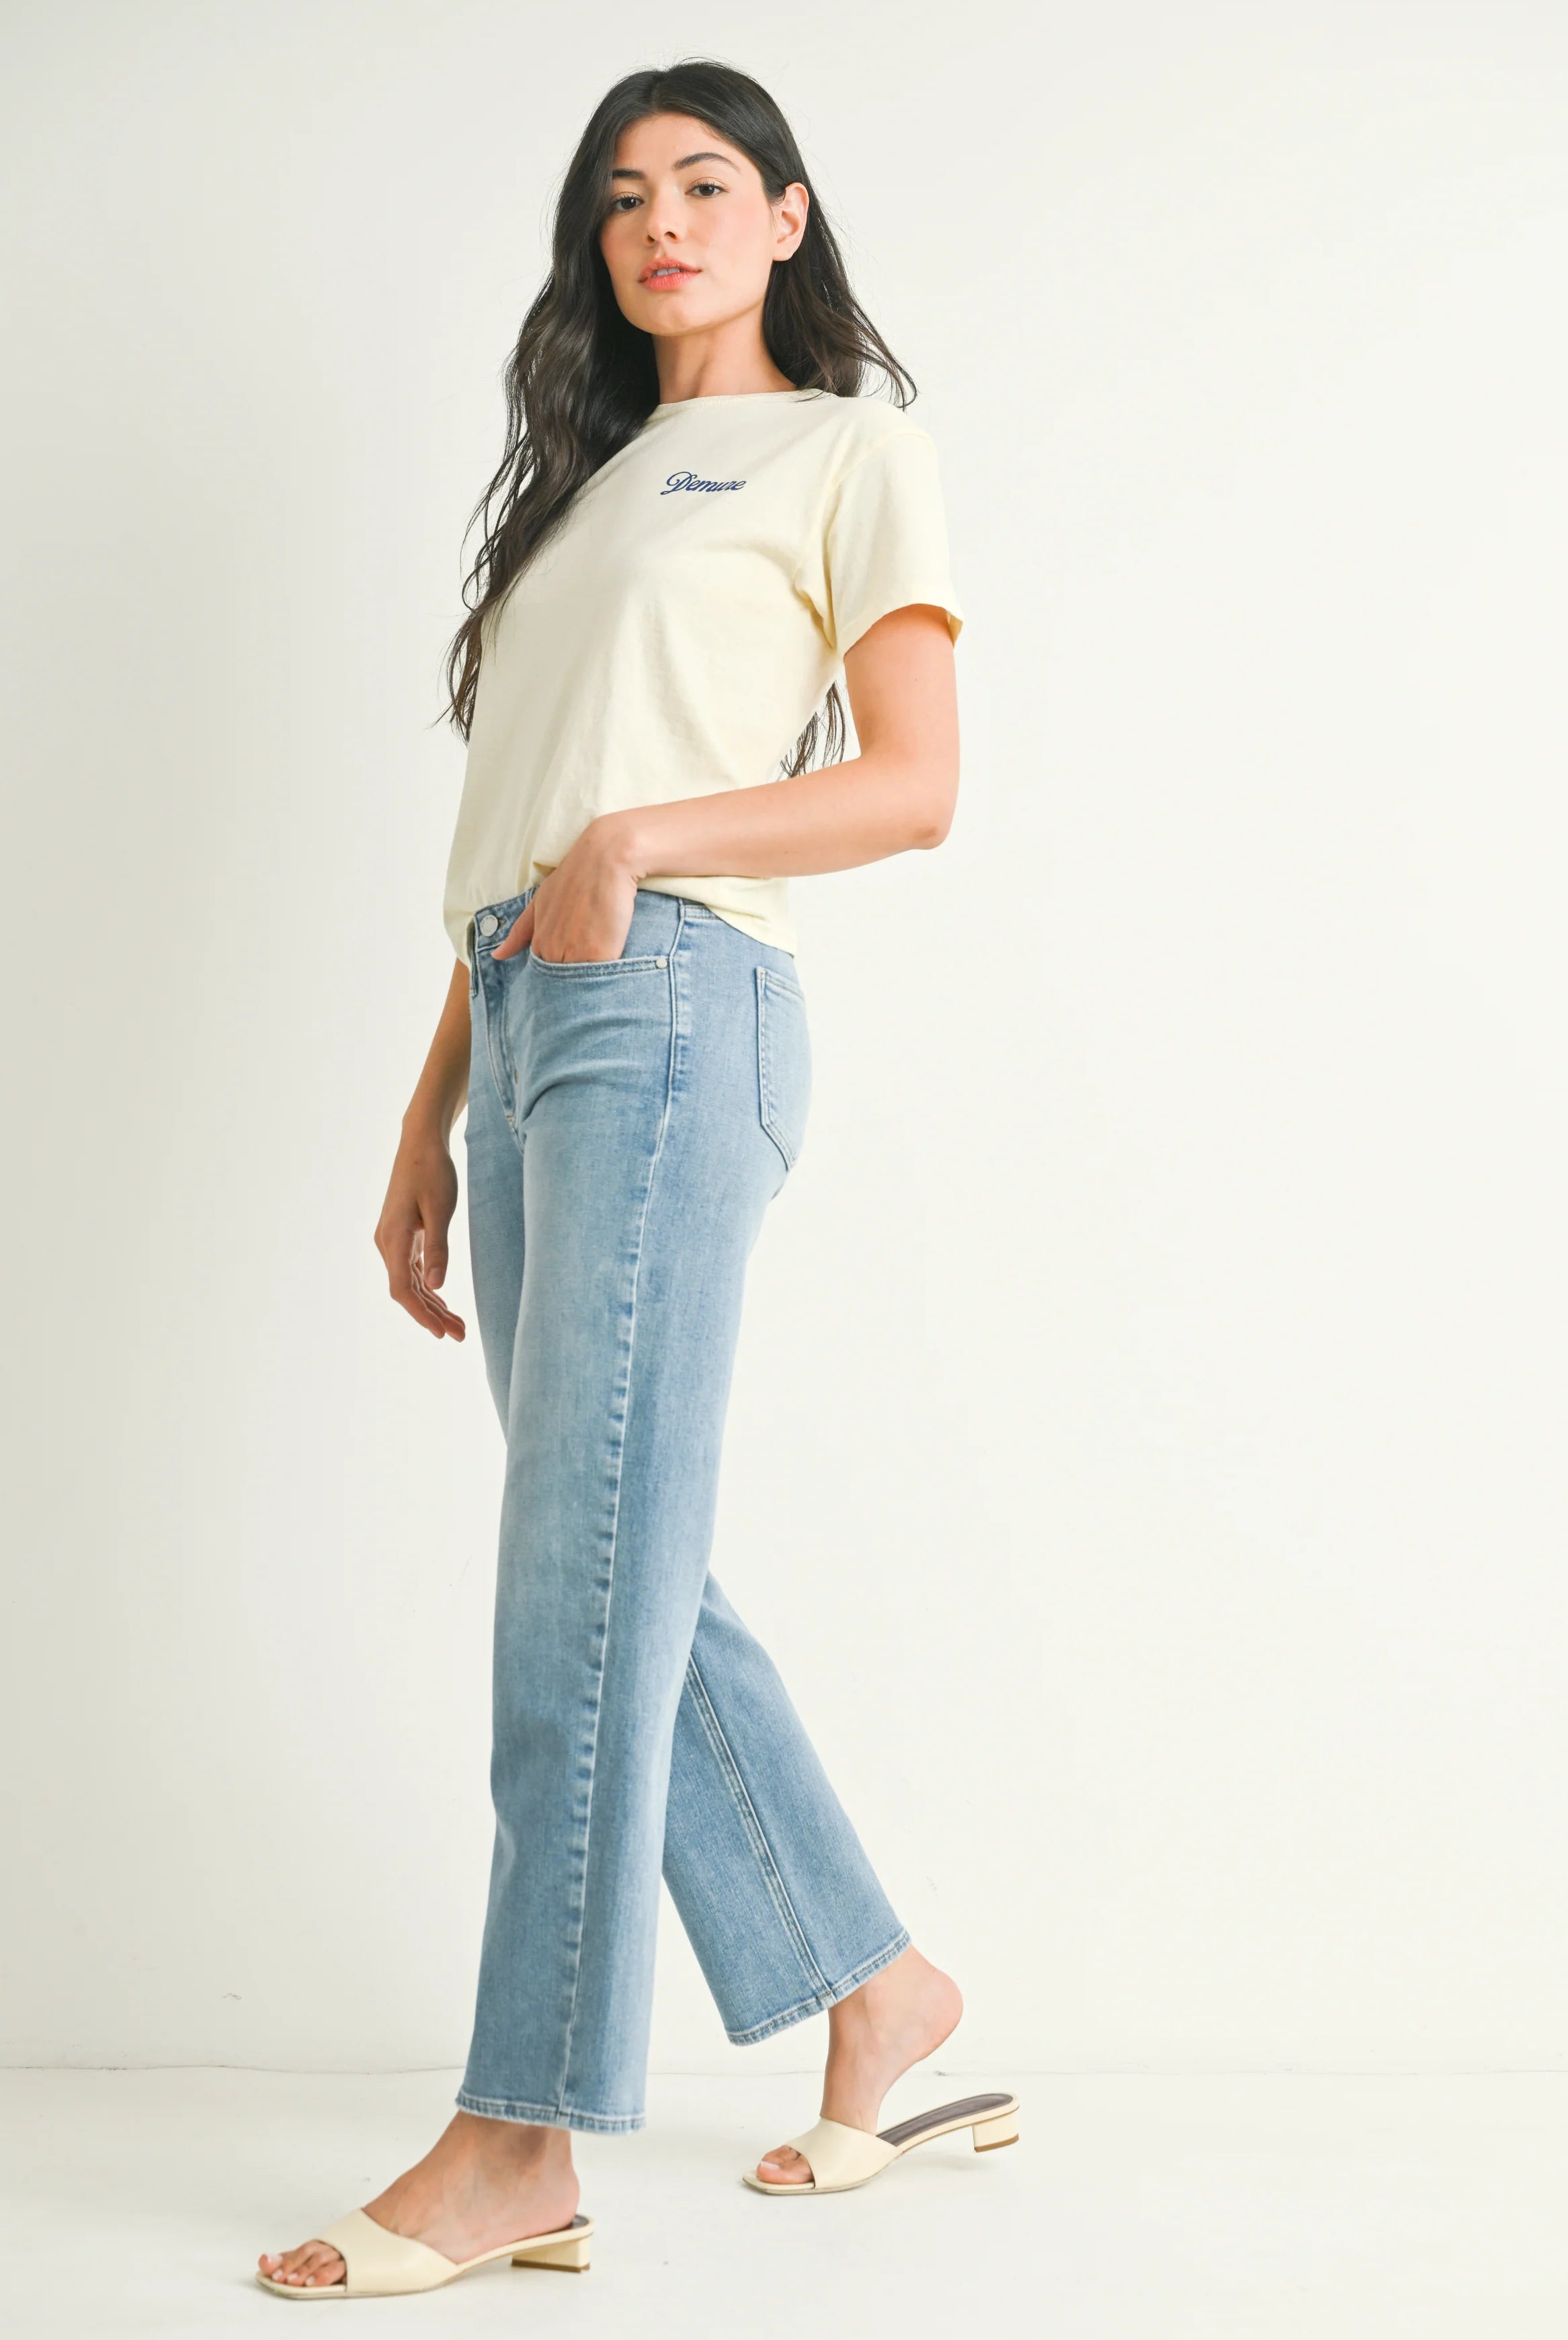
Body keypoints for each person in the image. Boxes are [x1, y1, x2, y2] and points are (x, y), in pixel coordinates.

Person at [258, 58, 1016, 2300]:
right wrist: (430, 1101)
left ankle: (524, 2135)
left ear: (786, 216)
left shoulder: (849, 448)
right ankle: (875, 1985)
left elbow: (911, 787)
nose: (660, 221)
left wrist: (641, 843)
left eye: (704, 183)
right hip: (533, 1017)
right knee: (621, 1562)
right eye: (621, 198)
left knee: (575, 1584)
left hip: (676, 1005)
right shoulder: (588, 498)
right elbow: (530, 830)